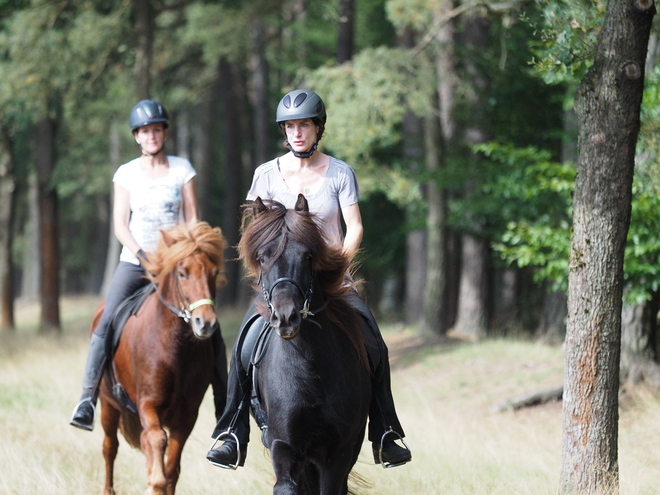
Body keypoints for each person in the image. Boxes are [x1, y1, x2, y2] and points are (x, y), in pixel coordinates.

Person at [206, 89, 411, 469]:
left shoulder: (339, 173)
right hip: (282, 286)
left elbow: (355, 228)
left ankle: (384, 432)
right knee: (244, 346)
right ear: (284, 131)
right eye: (290, 126)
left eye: (305, 125)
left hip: (332, 285)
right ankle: (233, 432)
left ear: (319, 128)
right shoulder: (265, 175)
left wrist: (336, 271)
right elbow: (254, 236)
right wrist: (267, 273)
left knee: (373, 342)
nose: (297, 132)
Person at [70, 99, 227, 431]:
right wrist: (143, 256)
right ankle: (87, 399)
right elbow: (119, 226)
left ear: (164, 133)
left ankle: (225, 412)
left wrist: (185, 255)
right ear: (137, 137)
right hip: (136, 262)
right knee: (107, 319)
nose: (151, 136)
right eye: (145, 131)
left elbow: (193, 218)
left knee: (212, 327)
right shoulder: (126, 174)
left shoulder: (183, 168)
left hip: (177, 266)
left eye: (156, 129)